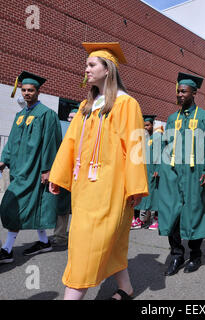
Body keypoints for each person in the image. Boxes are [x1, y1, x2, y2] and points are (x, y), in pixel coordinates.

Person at [48, 42, 148, 300]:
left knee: (85, 245)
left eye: (92, 64)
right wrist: (58, 174)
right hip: (84, 187)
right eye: (86, 65)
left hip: (111, 187)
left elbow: (135, 147)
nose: (86, 69)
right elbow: (70, 142)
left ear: (108, 69)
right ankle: (126, 288)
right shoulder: (86, 106)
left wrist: (135, 187)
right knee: (108, 242)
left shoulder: (127, 104)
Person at [158, 72, 205, 276]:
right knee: (172, 214)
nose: (179, 94)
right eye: (178, 91)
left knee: (194, 213)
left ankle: (195, 254)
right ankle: (177, 254)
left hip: (196, 174)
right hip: (173, 172)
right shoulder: (172, 118)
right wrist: (161, 170)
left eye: (183, 91)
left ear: (194, 92)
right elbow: (165, 145)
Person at [0, 71, 62, 264]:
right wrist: (3, 159)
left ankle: (7, 249)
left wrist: (47, 169)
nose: (27, 93)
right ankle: (44, 241)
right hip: (19, 169)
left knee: (12, 205)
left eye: (31, 90)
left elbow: (51, 142)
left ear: (38, 92)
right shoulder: (20, 115)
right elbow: (11, 142)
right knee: (34, 205)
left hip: (35, 169)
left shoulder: (47, 115)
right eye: (24, 90)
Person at [51, 108, 79, 247]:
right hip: (65, 174)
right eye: (69, 117)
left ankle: (76, 236)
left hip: (79, 175)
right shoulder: (63, 130)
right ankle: (60, 235)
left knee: (77, 207)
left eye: (73, 117)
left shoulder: (84, 131)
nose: (70, 120)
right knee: (62, 205)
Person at [133, 115, 162, 231]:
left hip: (154, 171)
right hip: (145, 170)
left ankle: (156, 219)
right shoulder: (144, 138)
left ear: (152, 125)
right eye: (144, 125)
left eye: (147, 125)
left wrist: (158, 169)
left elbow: (160, 154)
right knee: (144, 196)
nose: (145, 127)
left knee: (155, 196)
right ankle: (141, 219)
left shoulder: (157, 137)